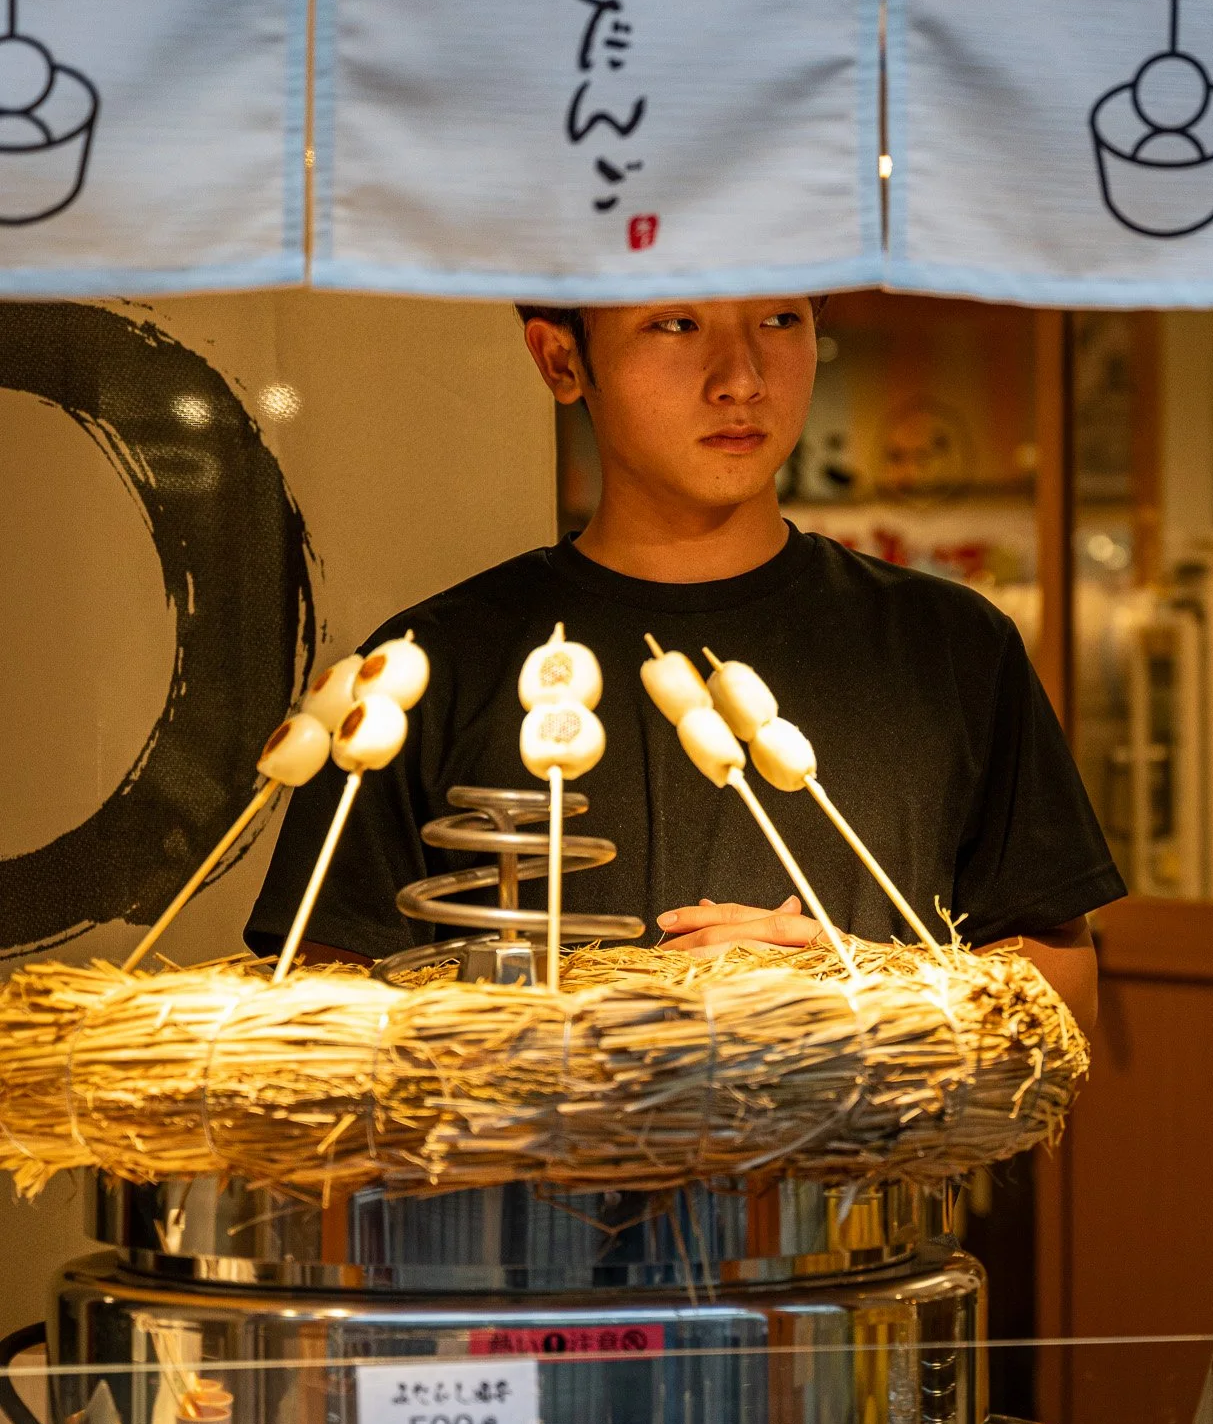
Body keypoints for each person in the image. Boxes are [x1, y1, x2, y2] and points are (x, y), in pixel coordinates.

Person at [246, 297, 1122, 1027]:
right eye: (675, 324)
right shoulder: (427, 665)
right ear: (561, 361)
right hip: (519, 1222)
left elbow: (1066, 988)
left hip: (856, 1225)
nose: (739, 378)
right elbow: (312, 1001)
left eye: (780, 318)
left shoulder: (950, 645)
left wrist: (865, 986)